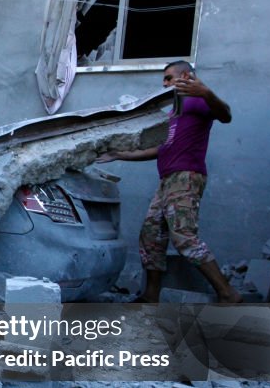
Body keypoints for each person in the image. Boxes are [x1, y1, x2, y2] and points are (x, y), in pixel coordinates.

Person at [97, 60, 242, 303]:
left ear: (185, 75)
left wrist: (206, 92)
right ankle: (151, 294)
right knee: (151, 235)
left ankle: (228, 293)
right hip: (167, 181)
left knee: (184, 237)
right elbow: (160, 149)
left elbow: (225, 115)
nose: (164, 83)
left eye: (168, 77)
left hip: (185, 178)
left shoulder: (199, 100)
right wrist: (118, 154)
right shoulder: (175, 113)